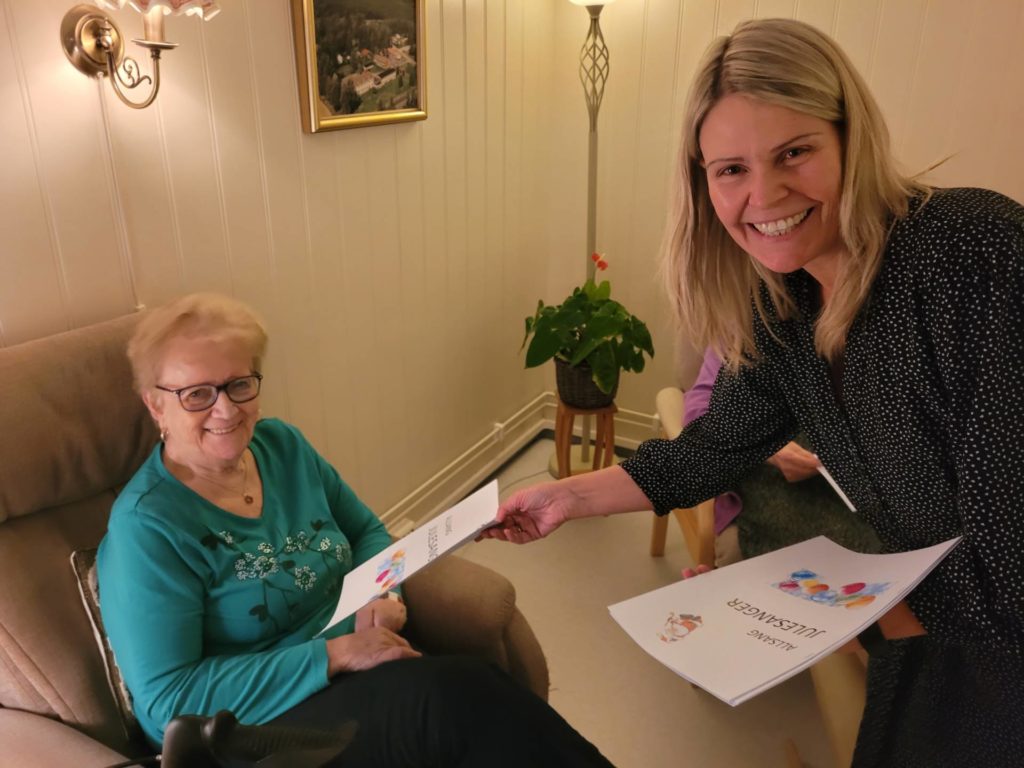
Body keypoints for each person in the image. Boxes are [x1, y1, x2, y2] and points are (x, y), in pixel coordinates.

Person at [482, 17, 1024, 768]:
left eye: (794, 152)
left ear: (849, 138)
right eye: (729, 168)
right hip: (936, 641)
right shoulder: (782, 308)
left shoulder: (975, 253)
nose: (763, 195)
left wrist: (853, 606)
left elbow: (1008, 549)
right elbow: (712, 448)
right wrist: (569, 498)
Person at [97, 293, 613, 768]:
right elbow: (168, 703)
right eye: (197, 394)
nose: (226, 409)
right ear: (154, 403)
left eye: (239, 383)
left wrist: (385, 591)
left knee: (479, 706)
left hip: (367, 667)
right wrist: (335, 655)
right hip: (260, 728)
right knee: (461, 700)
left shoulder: (282, 447)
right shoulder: (148, 527)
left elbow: (366, 532)